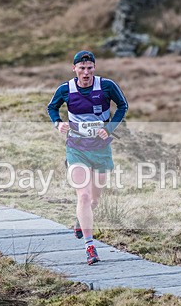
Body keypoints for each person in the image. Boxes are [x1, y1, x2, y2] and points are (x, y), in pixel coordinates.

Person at [46, 50, 128, 265]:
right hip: (76, 148)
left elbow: (123, 106)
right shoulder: (65, 89)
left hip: (101, 149)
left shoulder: (107, 86)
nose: (85, 72)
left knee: (94, 200)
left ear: (94, 68)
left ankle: (80, 221)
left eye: (89, 68)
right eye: (81, 68)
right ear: (74, 69)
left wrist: (108, 128)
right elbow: (52, 107)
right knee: (82, 196)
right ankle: (90, 247)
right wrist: (58, 123)